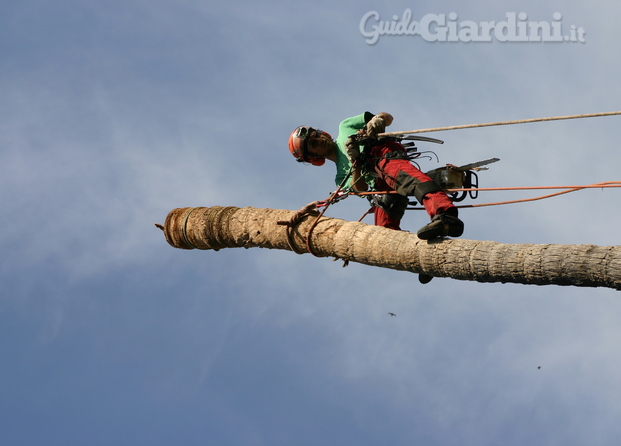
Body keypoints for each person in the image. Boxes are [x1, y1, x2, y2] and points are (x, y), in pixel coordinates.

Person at [288, 111, 464, 241]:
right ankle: (424, 254)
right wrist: (354, 159)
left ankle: (445, 214)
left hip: (382, 155)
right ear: (313, 158)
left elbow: (387, 117)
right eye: (313, 143)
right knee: (383, 233)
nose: (319, 139)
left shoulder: (345, 127)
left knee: (408, 179)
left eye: (316, 135)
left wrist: (377, 120)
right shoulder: (340, 177)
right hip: (379, 186)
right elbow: (361, 188)